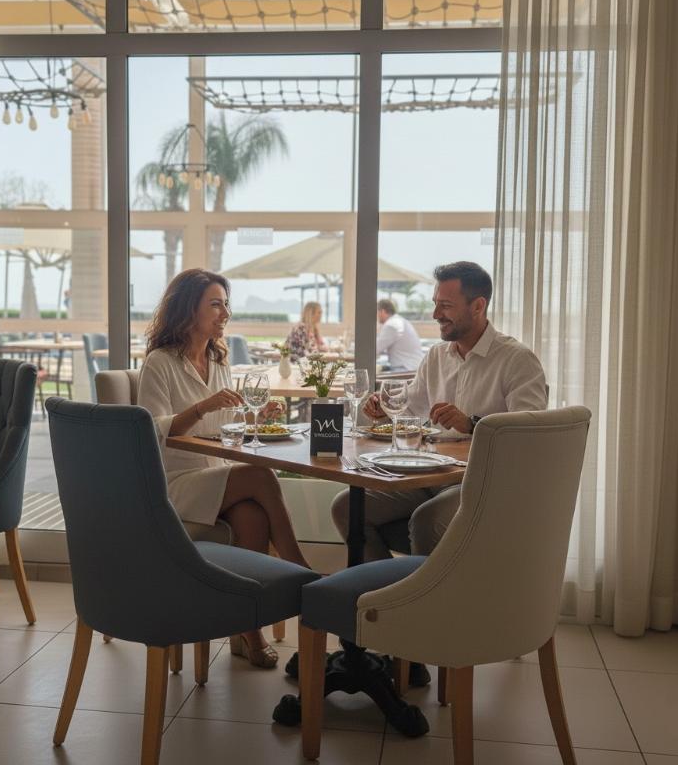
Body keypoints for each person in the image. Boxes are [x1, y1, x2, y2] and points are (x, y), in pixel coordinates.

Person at [138, 268, 311, 669]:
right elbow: (151, 430)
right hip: (176, 482)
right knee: (260, 475)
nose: (225, 313)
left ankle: (246, 630)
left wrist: (256, 415)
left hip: (215, 475)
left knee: (253, 517)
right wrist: (202, 407)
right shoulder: (160, 363)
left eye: (226, 304)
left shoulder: (218, 359)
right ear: (188, 309)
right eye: (215, 304)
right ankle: (296, 566)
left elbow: (226, 425)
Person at [332, 261, 548, 562]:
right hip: (430, 475)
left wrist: (471, 423)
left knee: (427, 521)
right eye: (435, 304)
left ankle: (429, 593)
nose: (435, 315)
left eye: (445, 306)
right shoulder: (436, 356)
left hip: (484, 483)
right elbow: (410, 407)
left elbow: (531, 434)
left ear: (478, 306)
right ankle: (385, 589)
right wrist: (383, 410)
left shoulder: (517, 360)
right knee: (347, 507)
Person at [376, 298, 424, 371]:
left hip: (405, 369)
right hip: (412, 366)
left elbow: (375, 349)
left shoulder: (391, 325)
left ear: (382, 311)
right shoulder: (399, 320)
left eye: (376, 312)